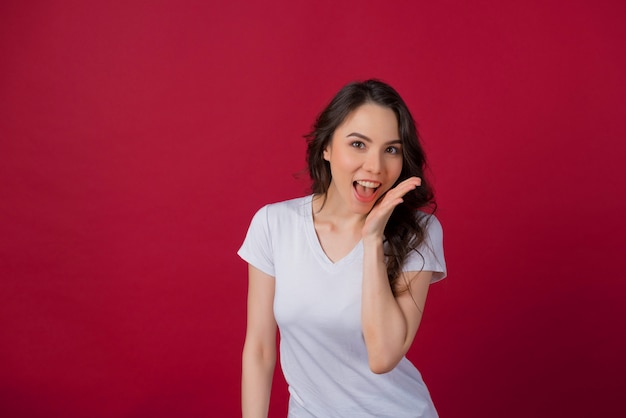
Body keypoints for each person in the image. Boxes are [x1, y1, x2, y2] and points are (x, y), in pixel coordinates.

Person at [238, 79, 446, 418]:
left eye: (391, 149)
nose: (376, 166)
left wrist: (372, 238)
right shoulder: (274, 225)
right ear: (327, 147)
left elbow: (383, 356)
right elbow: (260, 349)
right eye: (358, 144)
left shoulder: (418, 233)